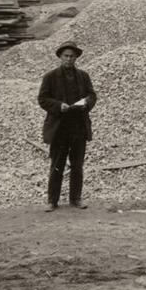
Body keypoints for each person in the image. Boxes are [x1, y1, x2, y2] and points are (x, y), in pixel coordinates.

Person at [37, 41, 96, 212]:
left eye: (72, 56)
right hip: (59, 128)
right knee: (57, 164)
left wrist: (86, 104)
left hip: (78, 127)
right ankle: (52, 201)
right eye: (66, 56)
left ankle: (76, 199)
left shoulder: (84, 76)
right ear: (60, 57)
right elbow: (42, 99)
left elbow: (92, 95)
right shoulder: (50, 76)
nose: (69, 59)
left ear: (76, 57)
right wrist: (58, 106)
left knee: (77, 165)